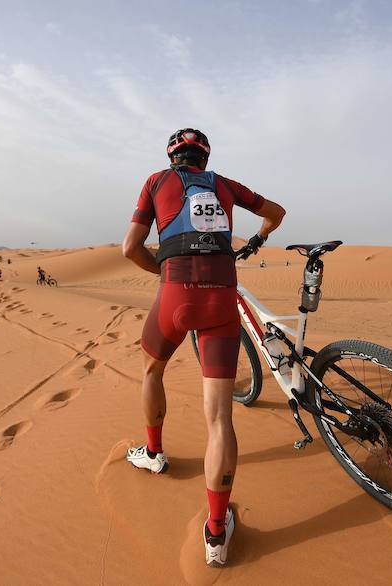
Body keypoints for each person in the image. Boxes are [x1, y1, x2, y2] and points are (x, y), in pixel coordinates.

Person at [122, 128, 285, 567]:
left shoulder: (156, 181)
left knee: (152, 371)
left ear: (172, 156)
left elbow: (129, 248)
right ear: (205, 157)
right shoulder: (226, 185)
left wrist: (163, 272)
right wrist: (263, 234)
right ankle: (216, 532)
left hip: (175, 296)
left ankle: (154, 453)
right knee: (220, 419)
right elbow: (277, 212)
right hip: (220, 301)